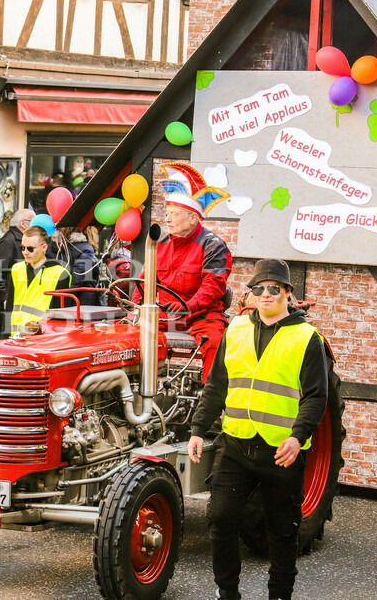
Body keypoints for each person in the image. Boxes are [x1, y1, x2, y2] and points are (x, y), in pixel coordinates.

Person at [187, 258, 327, 600]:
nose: (265, 294)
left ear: (287, 292)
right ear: (251, 294)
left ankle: (279, 596)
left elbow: (316, 396)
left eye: (273, 288)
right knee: (220, 521)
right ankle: (227, 593)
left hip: (281, 451)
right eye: (258, 288)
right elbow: (216, 385)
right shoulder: (235, 329)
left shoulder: (306, 338)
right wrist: (197, 429)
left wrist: (298, 437)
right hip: (235, 444)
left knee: (282, 532)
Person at [140, 162, 232, 380]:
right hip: (163, 314)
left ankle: (209, 400)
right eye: (168, 213)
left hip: (201, 315)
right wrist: (137, 310)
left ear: (192, 218)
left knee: (215, 342)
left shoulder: (214, 245)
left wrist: (188, 306)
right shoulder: (158, 244)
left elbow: (214, 286)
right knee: (127, 337)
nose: (167, 219)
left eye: (174, 214)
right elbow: (143, 283)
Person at [8, 226, 71, 334]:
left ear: (44, 247)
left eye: (30, 248)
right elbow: (9, 307)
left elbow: (62, 316)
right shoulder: (16, 269)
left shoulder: (59, 274)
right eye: (22, 248)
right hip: (16, 337)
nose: (25, 252)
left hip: (41, 338)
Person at [0, 208, 34, 337]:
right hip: (9, 308)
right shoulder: (8, 241)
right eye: (33, 222)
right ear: (23, 223)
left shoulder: (20, 240)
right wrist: (5, 298)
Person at [48, 227, 101, 307]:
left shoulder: (53, 247)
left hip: (57, 296)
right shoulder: (85, 249)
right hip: (81, 301)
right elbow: (79, 279)